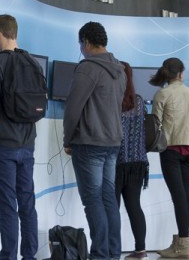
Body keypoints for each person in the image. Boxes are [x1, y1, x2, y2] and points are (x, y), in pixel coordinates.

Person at [63, 21, 125, 260]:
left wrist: (68, 139)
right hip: (112, 143)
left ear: (86, 42)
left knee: (92, 200)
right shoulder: (119, 69)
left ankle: (100, 255)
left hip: (89, 143)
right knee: (108, 198)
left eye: (81, 44)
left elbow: (73, 108)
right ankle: (112, 253)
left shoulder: (87, 68)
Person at [0, 14, 38, 260]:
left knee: (7, 208)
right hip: (27, 145)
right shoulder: (33, 62)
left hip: (3, 147)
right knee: (27, 205)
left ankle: (8, 257)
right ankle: (29, 256)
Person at [149, 58, 189, 259]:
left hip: (170, 149)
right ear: (181, 74)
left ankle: (183, 244)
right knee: (183, 197)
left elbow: (155, 125)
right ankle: (181, 240)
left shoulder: (162, 94)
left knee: (178, 198)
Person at [116, 61, 149, 260]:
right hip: (137, 162)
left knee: (112, 207)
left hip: (116, 162)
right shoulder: (139, 101)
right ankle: (141, 250)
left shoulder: (111, 100)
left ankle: (113, 248)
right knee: (134, 206)